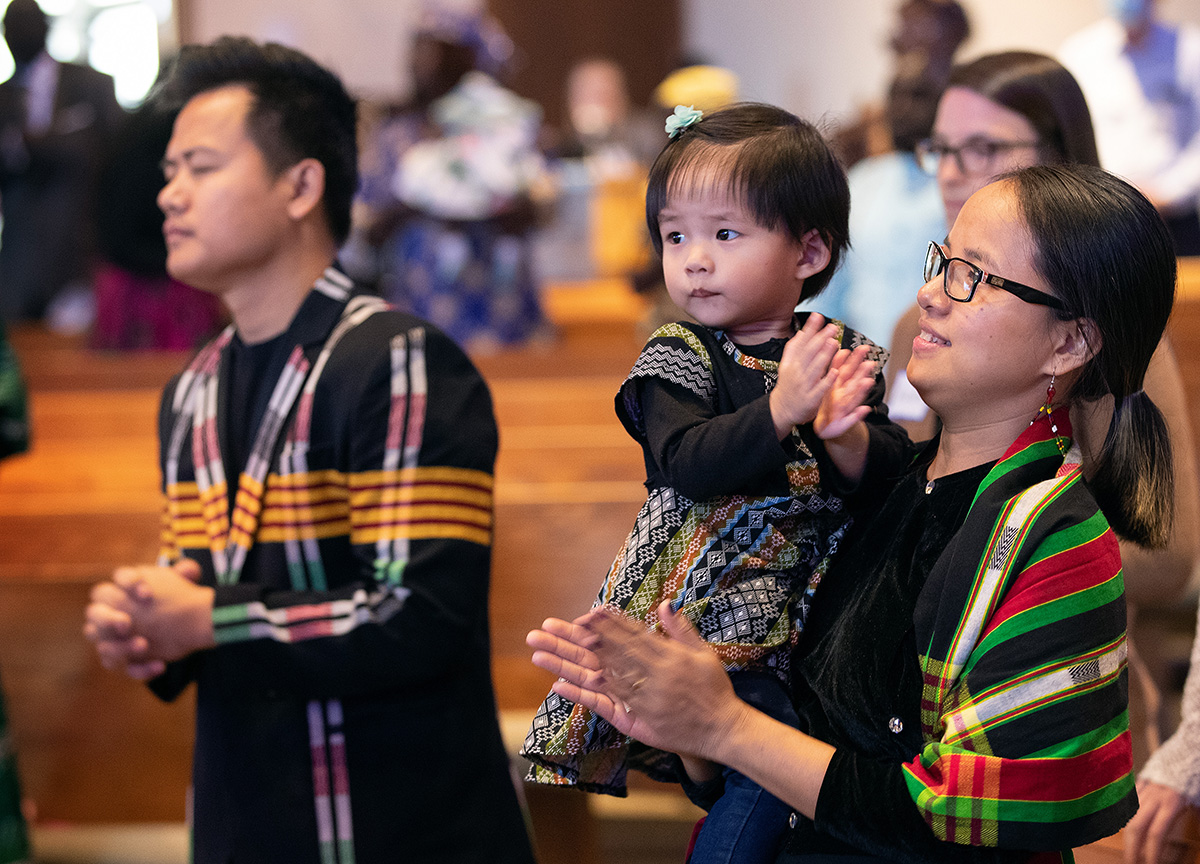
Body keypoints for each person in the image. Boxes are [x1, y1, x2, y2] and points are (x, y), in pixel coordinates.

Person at [530, 161, 1177, 862]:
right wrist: (690, 724)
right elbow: (781, 772)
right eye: (942, 262)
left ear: (1069, 343)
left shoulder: (1057, 535)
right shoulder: (880, 481)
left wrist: (724, 728)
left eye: (972, 277)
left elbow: (954, 815)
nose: (930, 295)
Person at [80, 36, 534, 864]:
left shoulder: (397, 360)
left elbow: (415, 616)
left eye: (201, 167)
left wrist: (207, 618)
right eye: (169, 171)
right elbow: (210, 601)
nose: (169, 194)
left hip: (396, 828)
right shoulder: (192, 390)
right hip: (245, 820)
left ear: (301, 185)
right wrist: (153, 630)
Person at [521, 103, 900, 864]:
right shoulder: (680, 353)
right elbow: (687, 461)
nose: (694, 258)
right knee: (763, 777)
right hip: (705, 613)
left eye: (725, 234)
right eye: (675, 235)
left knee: (804, 778)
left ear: (808, 251)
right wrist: (782, 408)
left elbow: (891, 478)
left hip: (814, 622)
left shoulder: (843, 350)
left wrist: (844, 435)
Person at [887, 51, 1200, 773]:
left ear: (1056, 157)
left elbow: (1168, 555)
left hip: (1063, 703)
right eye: (941, 147)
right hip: (927, 703)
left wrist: (993, 567)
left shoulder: (1105, 338)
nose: (952, 170)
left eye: (985, 148)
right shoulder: (919, 325)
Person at [355, 9, 548, 352]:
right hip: (422, 305)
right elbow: (369, 227)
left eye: (433, 50)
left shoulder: (503, 126)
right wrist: (421, 207)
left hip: (501, 309)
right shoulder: (397, 133)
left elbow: (538, 208)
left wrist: (497, 202)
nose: (419, 62)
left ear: (467, 58)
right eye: (416, 50)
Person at [805, 0, 969, 346]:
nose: (906, 109)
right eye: (897, 97)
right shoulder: (863, 181)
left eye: (920, 97)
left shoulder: (961, 181)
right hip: (859, 360)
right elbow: (830, 286)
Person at [0, 0, 123, 328]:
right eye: (10, 28)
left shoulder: (90, 84)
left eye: (27, 25)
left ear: (45, 29)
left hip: (80, 250)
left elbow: (114, 157)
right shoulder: (3, 98)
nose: (18, 35)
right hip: (17, 264)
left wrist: (41, 145)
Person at [1058, 0, 1200, 255]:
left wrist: (1168, 192)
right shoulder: (1079, 54)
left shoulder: (1191, 50)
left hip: (1176, 219)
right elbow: (1070, 135)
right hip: (1103, 217)